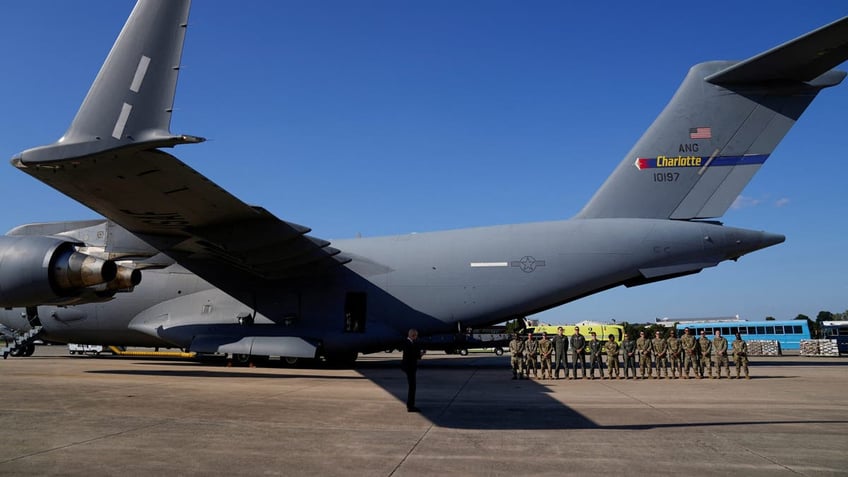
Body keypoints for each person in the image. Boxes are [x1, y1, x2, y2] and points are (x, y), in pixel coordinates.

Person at [401, 328, 422, 412]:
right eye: (416, 335)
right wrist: (419, 354)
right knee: (412, 387)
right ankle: (410, 406)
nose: (416, 337)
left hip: (410, 367)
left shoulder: (410, 343)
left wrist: (419, 354)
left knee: (412, 387)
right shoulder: (408, 343)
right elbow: (410, 356)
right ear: (413, 335)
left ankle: (410, 405)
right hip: (409, 368)